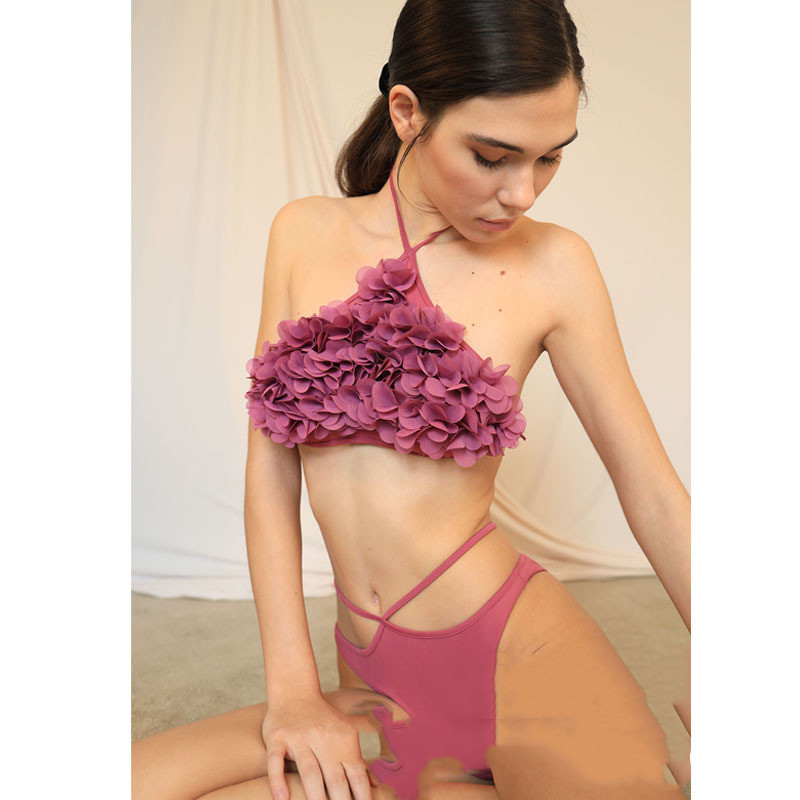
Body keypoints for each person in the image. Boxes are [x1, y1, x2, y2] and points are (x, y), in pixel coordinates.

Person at [132, 1, 690, 798]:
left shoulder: (557, 266)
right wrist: (293, 692)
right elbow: (270, 473)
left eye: (550, 158)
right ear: (407, 111)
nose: (523, 192)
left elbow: (655, 495)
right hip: (375, 687)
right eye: (492, 156)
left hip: (529, 667)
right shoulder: (302, 234)